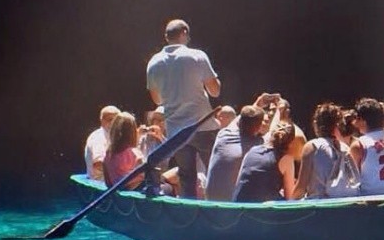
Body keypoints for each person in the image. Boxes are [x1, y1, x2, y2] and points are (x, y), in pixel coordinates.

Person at [146, 19, 221, 198]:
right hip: (203, 126)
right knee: (216, 173)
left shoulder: (153, 62)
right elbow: (215, 91)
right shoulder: (197, 55)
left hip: (177, 130)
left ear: (166, 37)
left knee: (187, 177)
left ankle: (190, 214)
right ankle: (220, 214)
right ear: (185, 33)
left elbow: (157, 100)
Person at [292, 102, 360, 199]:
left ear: (316, 124)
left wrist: (289, 203)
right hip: (344, 204)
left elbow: (301, 188)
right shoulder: (345, 148)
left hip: (320, 208)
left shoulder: (312, 147)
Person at [205, 104, 266, 201]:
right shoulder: (258, 146)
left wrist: (258, 103)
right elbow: (277, 133)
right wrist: (280, 111)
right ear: (258, 127)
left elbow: (237, 121)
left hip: (210, 201)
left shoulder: (223, 135)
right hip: (232, 207)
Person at [232, 122, 297, 203]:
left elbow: (239, 182)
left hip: (238, 207)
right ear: (291, 142)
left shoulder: (252, 150)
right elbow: (290, 197)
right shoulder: (287, 159)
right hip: (261, 211)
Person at [103, 112, 145, 190]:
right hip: (135, 191)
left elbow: (107, 181)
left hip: (115, 190)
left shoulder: (109, 153)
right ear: (132, 131)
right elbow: (147, 175)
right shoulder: (135, 153)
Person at [84, 105, 120, 181]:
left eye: (117, 120)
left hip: (110, 181)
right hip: (100, 184)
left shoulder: (112, 135)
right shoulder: (98, 138)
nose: (114, 123)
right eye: (110, 120)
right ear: (102, 121)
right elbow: (98, 164)